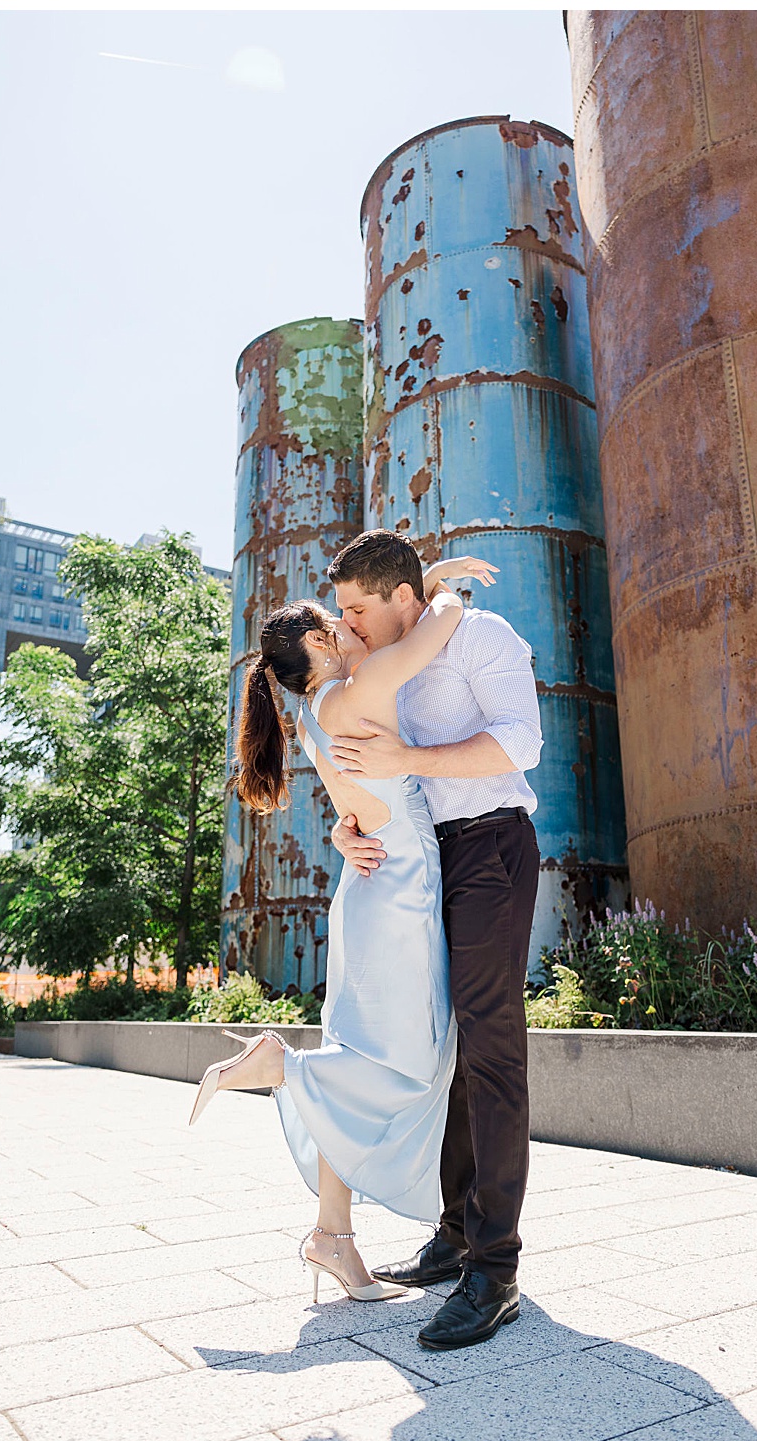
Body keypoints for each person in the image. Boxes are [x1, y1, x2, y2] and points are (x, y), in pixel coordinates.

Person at [203, 557, 494, 1311]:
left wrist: (341, 827)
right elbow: (439, 629)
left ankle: (333, 1235)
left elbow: (358, 799)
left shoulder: (309, 712)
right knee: (416, 1060)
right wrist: (440, 581)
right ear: (324, 646)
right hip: (396, 894)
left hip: (368, 887)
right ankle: (278, 1065)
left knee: (364, 1052)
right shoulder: (357, 690)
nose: (349, 626)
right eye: (338, 623)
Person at [321, 529, 548, 1352]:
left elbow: (522, 743)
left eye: (356, 609)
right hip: (421, 862)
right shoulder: (386, 662)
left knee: (491, 1050)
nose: (346, 625)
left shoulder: (481, 638)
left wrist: (413, 754)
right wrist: (344, 829)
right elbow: (357, 773)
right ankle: (456, 1233)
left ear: (401, 599)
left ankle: (496, 1268)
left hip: (489, 845)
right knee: (442, 1046)